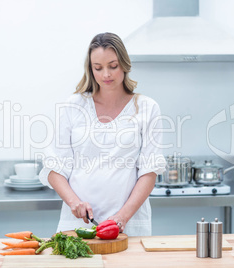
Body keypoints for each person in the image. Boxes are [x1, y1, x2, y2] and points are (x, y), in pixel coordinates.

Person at [39, 32, 166, 236]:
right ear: (91, 69)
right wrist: (75, 202)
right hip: (77, 224)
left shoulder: (147, 108)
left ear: (124, 64)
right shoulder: (73, 106)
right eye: (98, 68)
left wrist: (121, 217)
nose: (106, 74)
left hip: (129, 224)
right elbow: (54, 167)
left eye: (113, 66)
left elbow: (148, 172)